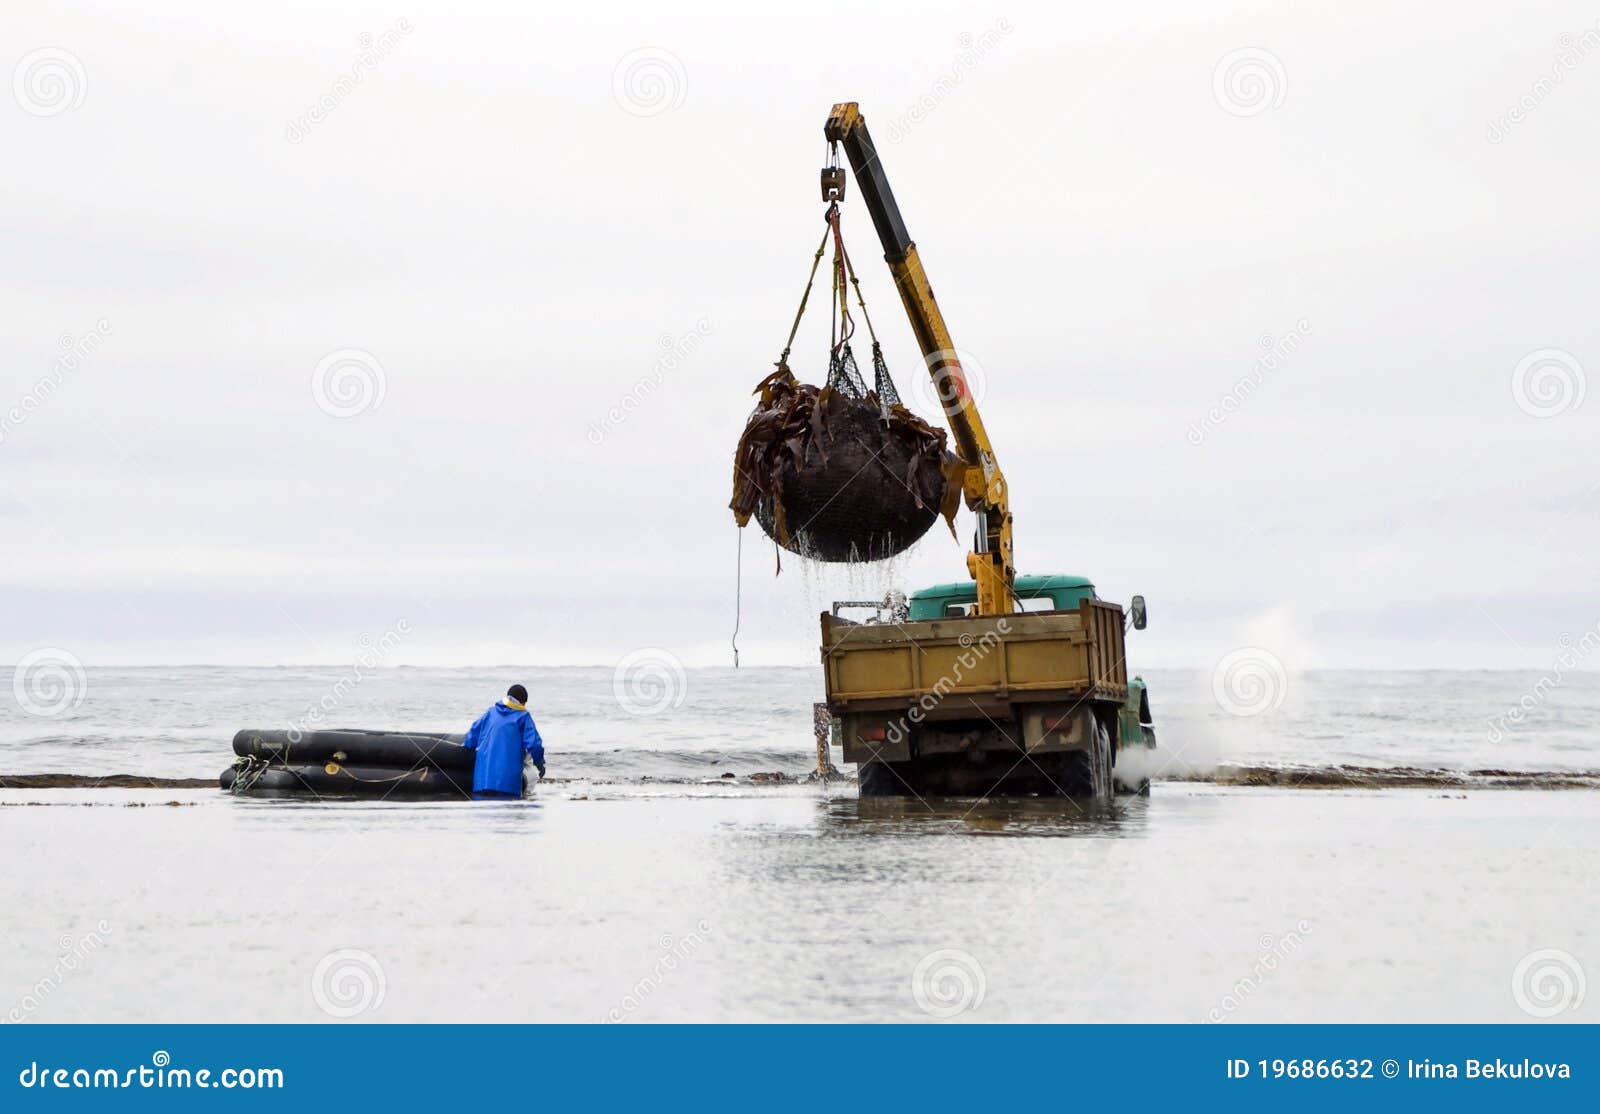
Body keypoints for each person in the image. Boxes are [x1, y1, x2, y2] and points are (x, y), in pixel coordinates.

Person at [463, 684, 545, 799]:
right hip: (507, 785)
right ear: (523, 702)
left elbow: (471, 736)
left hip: (482, 781)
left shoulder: (490, 712)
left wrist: (465, 754)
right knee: (508, 813)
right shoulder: (523, 716)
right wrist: (540, 763)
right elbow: (534, 744)